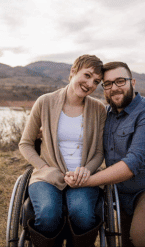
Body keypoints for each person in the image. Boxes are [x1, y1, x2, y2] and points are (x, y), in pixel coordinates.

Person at [65, 61, 145, 247]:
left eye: (120, 81)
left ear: (132, 82)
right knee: (127, 241)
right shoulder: (105, 115)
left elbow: (132, 164)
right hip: (123, 195)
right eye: (108, 84)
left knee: (143, 237)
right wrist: (45, 134)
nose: (115, 88)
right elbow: (79, 136)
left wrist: (86, 181)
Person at [19, 55, 106, 247]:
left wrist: (87, 170)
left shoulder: (99, 109)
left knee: (82, 214)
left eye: (96, 81)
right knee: (48, 213)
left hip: (83, 177)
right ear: (73, 72)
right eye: (87, 75)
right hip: (47, 175)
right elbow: (25, 143)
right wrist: (44, 168)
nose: (90, 83)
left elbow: (99, 152)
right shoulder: (45, 102)